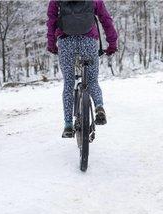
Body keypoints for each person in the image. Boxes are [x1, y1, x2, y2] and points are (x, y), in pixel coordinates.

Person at [46, 0, 117, 138]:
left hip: (66, 42)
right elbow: (106, 20)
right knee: (92, 81)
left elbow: (51, 21)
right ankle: (99, 107)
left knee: (68, 83)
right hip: (88, 41)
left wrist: (52, 44)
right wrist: (112, 43)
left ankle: (68, 125)